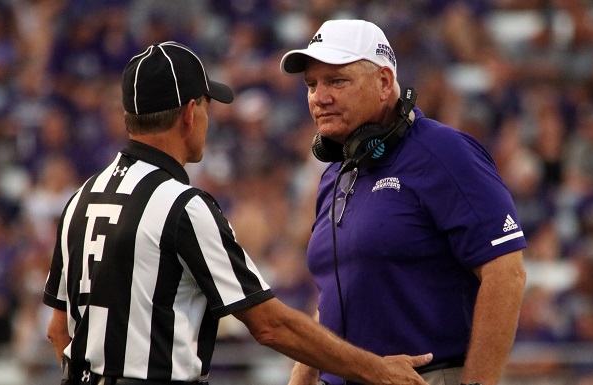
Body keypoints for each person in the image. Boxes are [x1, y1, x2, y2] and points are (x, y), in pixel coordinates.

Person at [42, 41, 433, 385]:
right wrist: (377, 371)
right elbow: (271, 325)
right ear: (190, 114)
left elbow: (58, 331)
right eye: (209, 108)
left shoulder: (80, 198)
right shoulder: (182, 206)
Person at [280, 20, 528, 385]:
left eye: (337, 81)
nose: (319, 97)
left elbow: (506, 273)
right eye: (311, 85)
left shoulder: (445, 153)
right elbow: (335, 297)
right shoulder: (335, 174)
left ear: (383, 82)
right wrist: (302, 378)